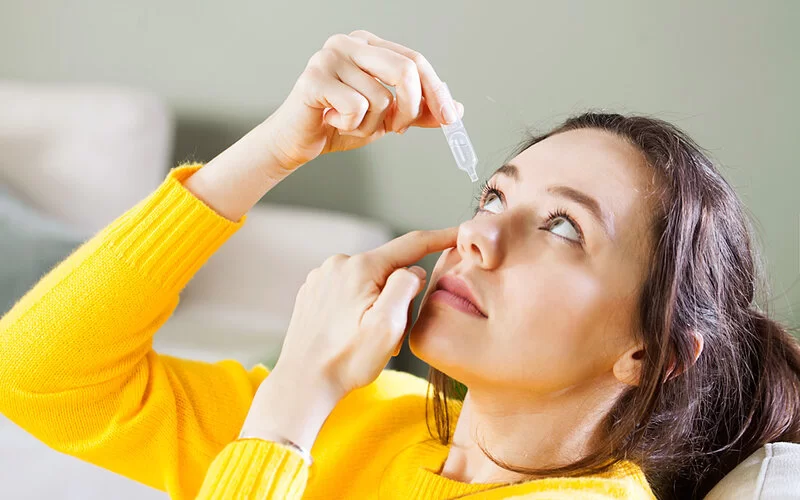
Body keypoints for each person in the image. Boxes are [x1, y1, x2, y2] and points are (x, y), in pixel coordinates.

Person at [1, 30, 798, 500]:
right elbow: (37, 373)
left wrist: (290, 405)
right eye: (493, 197)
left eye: (562, 227)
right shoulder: (374, 415)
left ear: (648, 356)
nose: (477, 238)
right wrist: (276, 149)